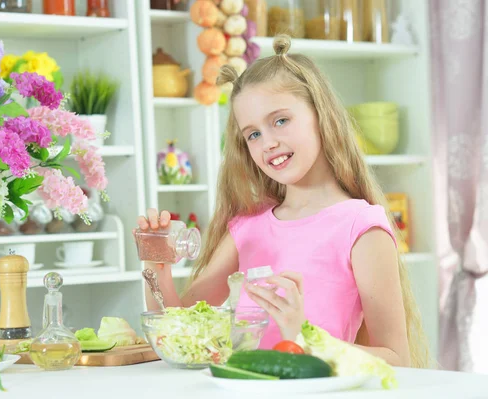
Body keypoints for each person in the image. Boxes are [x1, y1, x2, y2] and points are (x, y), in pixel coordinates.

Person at [137, 34, 429, 368]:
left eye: (280, 120)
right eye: (253, 134)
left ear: (321, 115)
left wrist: (303, 337)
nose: (268, 142)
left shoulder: (361, 228)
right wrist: (156, 266)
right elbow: (179, 330)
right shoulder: (247, 228)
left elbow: (397, 360)